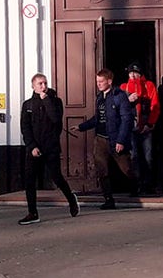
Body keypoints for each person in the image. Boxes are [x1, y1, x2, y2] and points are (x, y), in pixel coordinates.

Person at [17, 73, 80, 225]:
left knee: (56, 177)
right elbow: (25, 128)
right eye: (40, 84)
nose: (43, 86)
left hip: (50, 147)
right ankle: (32, 213)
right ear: (33, 86)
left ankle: (71, 200)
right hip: (34, 148)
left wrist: (46, 100)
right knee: (30, 180)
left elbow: (56, 120)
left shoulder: (55, 101)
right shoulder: (28, 105)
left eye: (45, 83)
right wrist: (31, 146)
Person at [71, 68, 137, 209]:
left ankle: (135, 188)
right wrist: (81, 127)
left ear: (109, 81)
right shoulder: (100, 97)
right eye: (97, 81)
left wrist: (120, 140)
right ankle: (108, 199)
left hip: (115, 139)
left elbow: (126, 120)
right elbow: (98, 118)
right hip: (100, 139)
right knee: (102, 170)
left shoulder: (120, 96)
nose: (98, 84)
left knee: (126, 168)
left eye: (101, 81)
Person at [121, 62, 160, 195]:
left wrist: (150, 124)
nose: (133, 75)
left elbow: (155, 105)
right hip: (130, 127)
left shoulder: (149, 85)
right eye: (131, 72)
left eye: (135, 72)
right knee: (133, 157)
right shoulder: (123, 87)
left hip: (145, 127)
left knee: (148, 156)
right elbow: (117, 106)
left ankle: (148, 185)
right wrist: (128, 99)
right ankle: (135, 185)